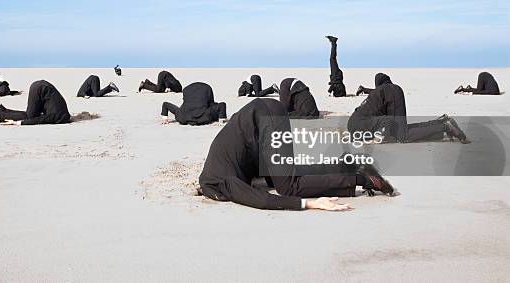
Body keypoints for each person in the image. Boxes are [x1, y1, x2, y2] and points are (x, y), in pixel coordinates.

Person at [198, 98, 394, 211]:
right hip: (257, 120)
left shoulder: (223, 183)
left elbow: (261, 200)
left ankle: (362, 179)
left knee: (289, 186)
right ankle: (347, 165)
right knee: (281, 178)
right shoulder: (214, 172)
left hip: (262, 121)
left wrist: (309, 204)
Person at [347, 74, 470, 144]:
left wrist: (377, 138)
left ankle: (445, 126)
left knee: (403, 136)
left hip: (390, 95)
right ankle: (442, 121)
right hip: (393, 93)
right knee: (401, 129)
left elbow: (386, 121)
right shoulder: (358, 120)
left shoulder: (359, 124)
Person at [0, 80, 70, 125]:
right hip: (40, 89)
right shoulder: (58, 117)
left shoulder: (63, 115)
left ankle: (1, 111)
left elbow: (44, 118)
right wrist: (21, 122)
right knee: (29, 116)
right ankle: (0, 113)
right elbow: (41, 120)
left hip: (42, 87)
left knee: (32, 114)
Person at [161, 82, 227, 125]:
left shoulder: (180, 112)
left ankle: (164, 119)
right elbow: (222, 105)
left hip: (184, 117)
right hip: (202, 118)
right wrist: (221, 119)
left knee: (177, 110)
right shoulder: (207, 88)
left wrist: (165, 119)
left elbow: (165, 104)